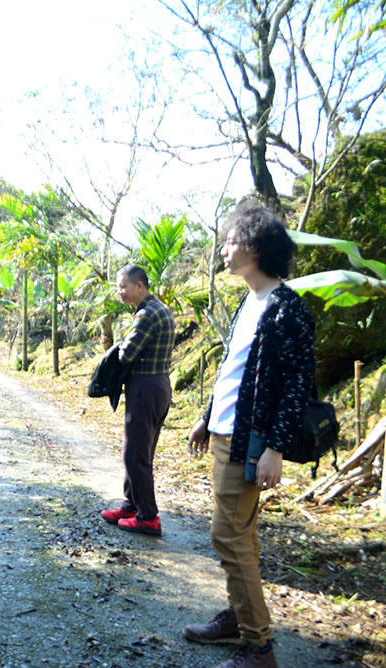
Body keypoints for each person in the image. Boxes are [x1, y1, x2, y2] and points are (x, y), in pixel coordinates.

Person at [185, 201, 314, 668]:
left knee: (229, 537)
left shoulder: (286, 306)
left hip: (251, 443)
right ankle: (241, 619)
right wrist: (206, 415)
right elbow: (235, 372)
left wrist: (275, 448)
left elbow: (298, 383)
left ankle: (259, 646)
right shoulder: (249, 299)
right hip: (224, 433)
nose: (224, 249)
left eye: (231, 241)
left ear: (256, 247)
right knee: (241, 535)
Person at [100, 264, 176, 536]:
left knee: (134, 453)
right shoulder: (161, 309)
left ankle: (147, 515)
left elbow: (126, 355)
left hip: (145, 387)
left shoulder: (146, 314)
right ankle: (130, 506)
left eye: (123, 286)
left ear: (139, 286)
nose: (120, 292)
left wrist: (116, 348)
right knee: (141, 451)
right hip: (158, 386)